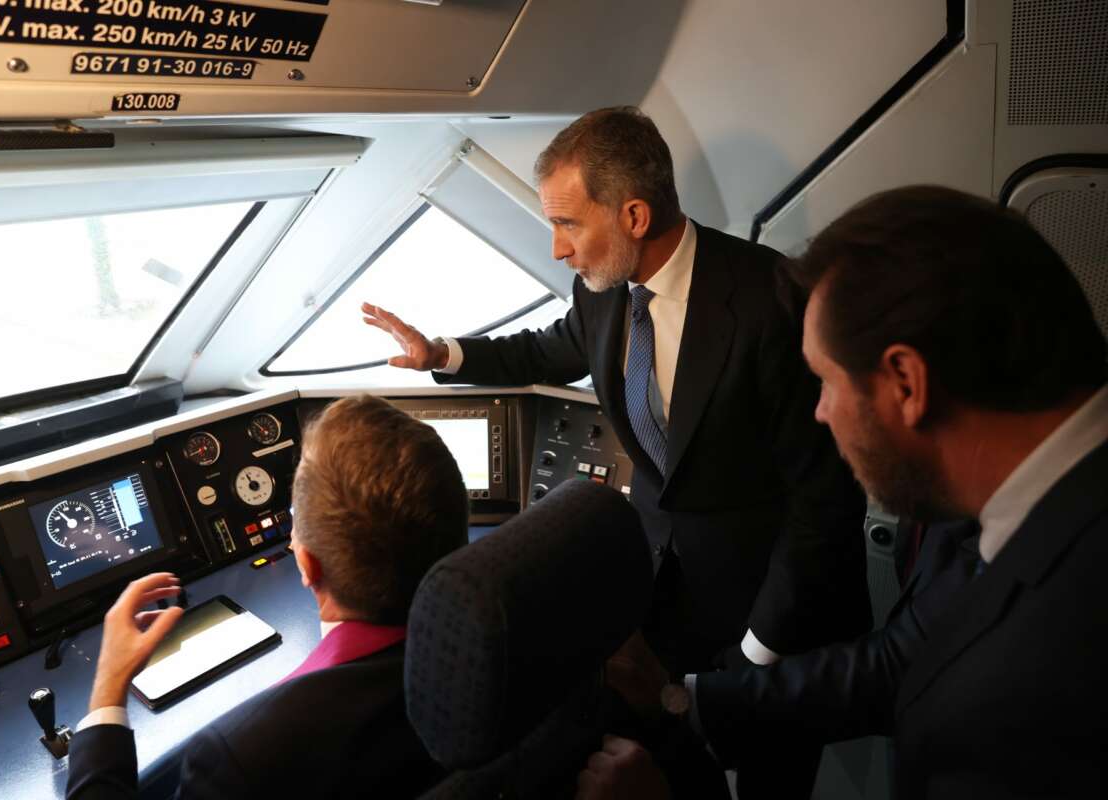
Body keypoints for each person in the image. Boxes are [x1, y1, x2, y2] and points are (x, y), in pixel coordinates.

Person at [364, 106, 870, 797]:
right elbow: (545, 349)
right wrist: (441, 355)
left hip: (779, 614)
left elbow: (825, 501)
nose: (557, 249)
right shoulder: (602, 293)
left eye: (568, 224)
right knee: (677, 769)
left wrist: (759, 650)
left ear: (633, 216)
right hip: (673, 597)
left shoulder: (769, 298)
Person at [579, 185, 1108, 799]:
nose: (823, 414)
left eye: (825, 383)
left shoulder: (1052, 669)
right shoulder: (976, 508)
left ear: (906, 382)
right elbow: (899, 660)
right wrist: (676, 702)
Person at [65, 395, 470, 799]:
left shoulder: (239, 757)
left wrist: (108, 686)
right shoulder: (490, 641)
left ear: (308, 565)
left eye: (294, 522)